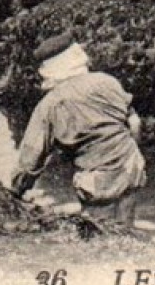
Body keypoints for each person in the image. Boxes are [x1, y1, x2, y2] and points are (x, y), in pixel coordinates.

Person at [11, 33, 146, 226]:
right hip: (131, 168)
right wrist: (131, 153)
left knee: (99, 237)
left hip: (97, 181)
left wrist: (16, 191)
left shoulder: (50, 105)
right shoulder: (107, 81)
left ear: (49, 70)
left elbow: (30, 160)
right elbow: (135, 123)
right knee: (126, 230)